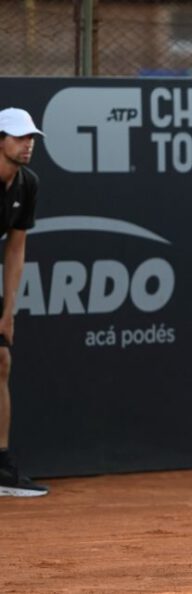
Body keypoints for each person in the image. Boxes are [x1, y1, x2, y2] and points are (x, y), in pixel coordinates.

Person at [0, 108, 47, 497]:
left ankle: (1, 466)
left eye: (30, 137)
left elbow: (15, 250)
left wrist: (8, 311)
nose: (27, 143)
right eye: (18, 137)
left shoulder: (26, 184)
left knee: (2, 360)